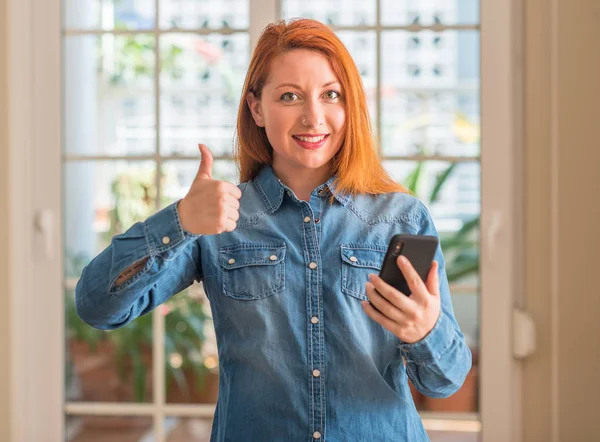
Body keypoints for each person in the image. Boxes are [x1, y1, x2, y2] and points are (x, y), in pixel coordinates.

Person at [76, 18, 472, 441]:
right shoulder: (218, 219)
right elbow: (98, 306)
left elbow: (443, 381)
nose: (313, 117)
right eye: (290, 96)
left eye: (331, 95)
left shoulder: (402, 218)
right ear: (257, 108)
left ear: (349, 106)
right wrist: (178, 222)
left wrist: (426, 331)